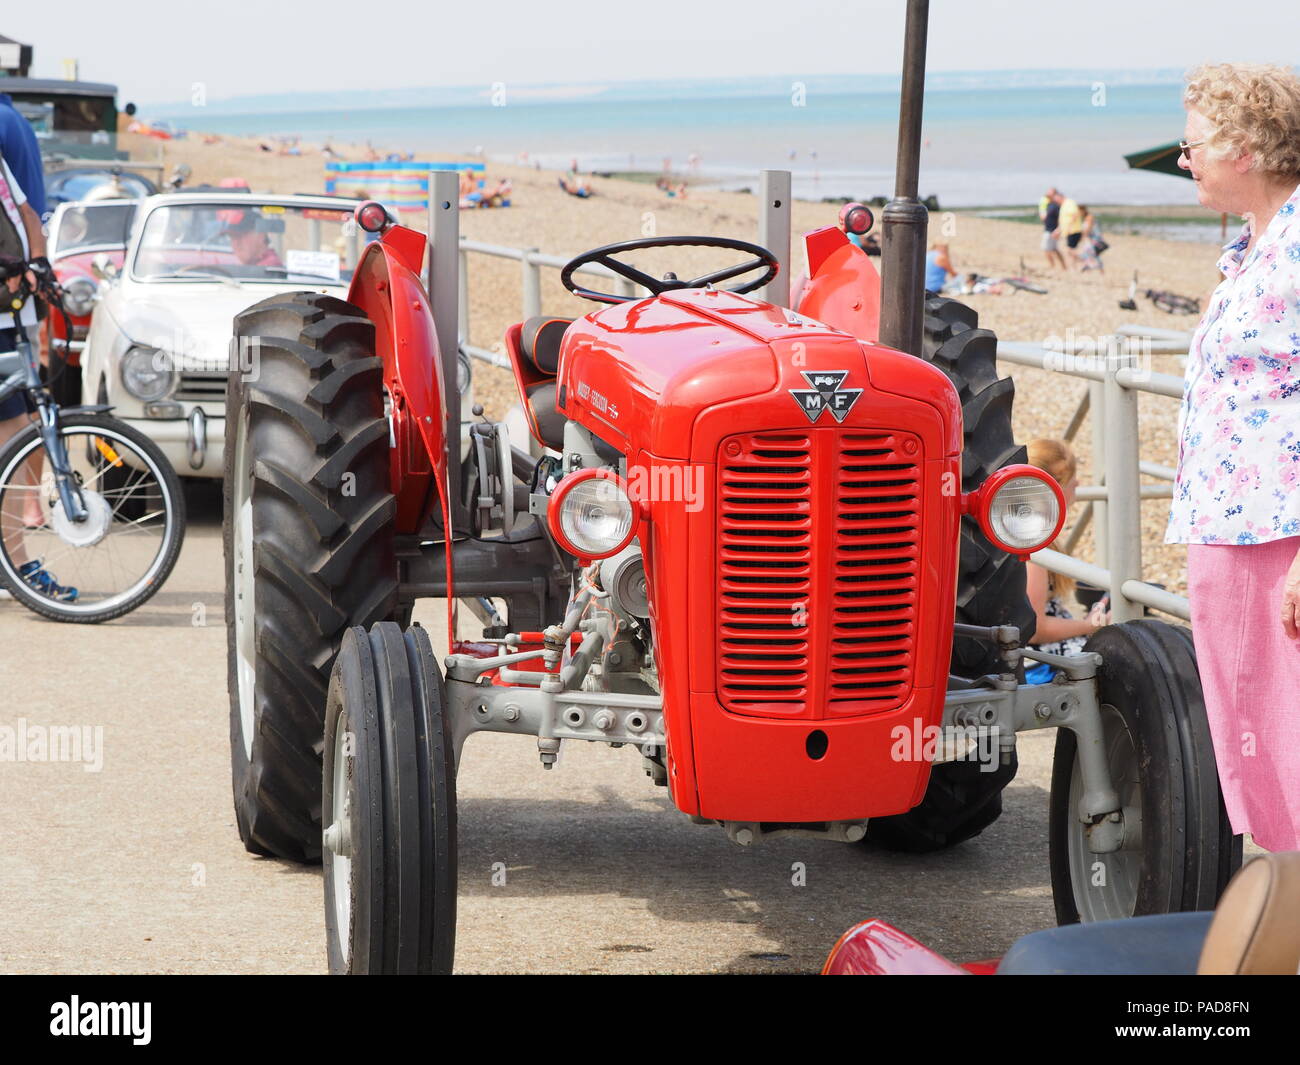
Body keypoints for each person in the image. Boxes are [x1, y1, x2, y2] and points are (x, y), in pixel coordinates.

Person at [1164, 62, 1300, 853]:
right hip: (1229, 525)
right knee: (1250, 720)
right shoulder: (1253, 247)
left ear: (1244, 147)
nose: (1187, 162)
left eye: (1195, 146)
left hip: (1278, 532)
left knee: (1285, 725)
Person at [0, 153, 76, 601]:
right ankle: (18, 564)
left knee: (21, 434)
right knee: (14, 438)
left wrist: (40, 263)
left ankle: (14, 563)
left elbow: (28, 214)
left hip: (15, 320)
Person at [1022, 439, 1110, 682]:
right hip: (1036, 662)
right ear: (1054, 489)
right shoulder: (1034, 547)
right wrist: (1090, 625)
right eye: (1073, 479)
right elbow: (1034, 629)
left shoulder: (1023, 531)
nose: (1079, 484)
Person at [1040, 187, 1066, 270]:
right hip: (1048, 229)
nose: (1047, 193)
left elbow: (1061, 219)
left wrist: (1058, 230)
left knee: (1046, 248)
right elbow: (1044, 217)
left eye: (1050, 192)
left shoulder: (1056, 206)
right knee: (1053, 249)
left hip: (1052, 230)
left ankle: (1053, 266)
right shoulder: (1048, 203)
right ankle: (1062, 266)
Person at [1057, 192, 1085, 268]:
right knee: (1070, 251)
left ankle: (1085, 260)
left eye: (1057, 199)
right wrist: (1058, 230)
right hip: (1069, 231)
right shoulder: (1064, 205)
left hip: (1073, 231)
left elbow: (1075, 214)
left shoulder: (1069, 203)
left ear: (1060, 197)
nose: (1056, 201)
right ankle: (1074, 268)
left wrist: (1069, 226)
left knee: (1070, 250)